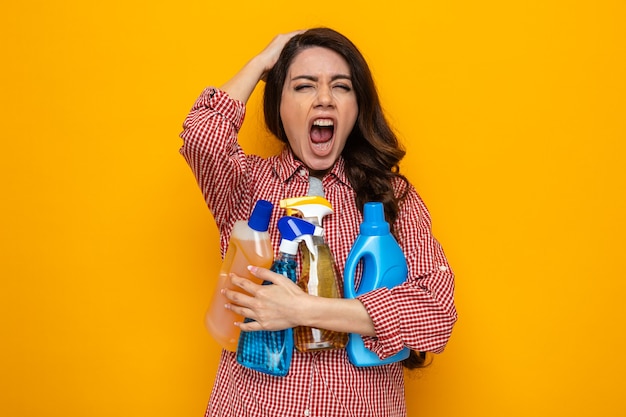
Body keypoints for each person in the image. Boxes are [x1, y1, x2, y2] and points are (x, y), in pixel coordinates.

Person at [179, 27, 457, 417]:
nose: (324, 98)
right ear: (278, 105)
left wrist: (303, 310)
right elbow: (201, 136)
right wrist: (263, 62)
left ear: (357, 107)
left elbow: (436, 314)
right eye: (304, 86)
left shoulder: (392, 197)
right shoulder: (244, 186)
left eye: (341, 87)